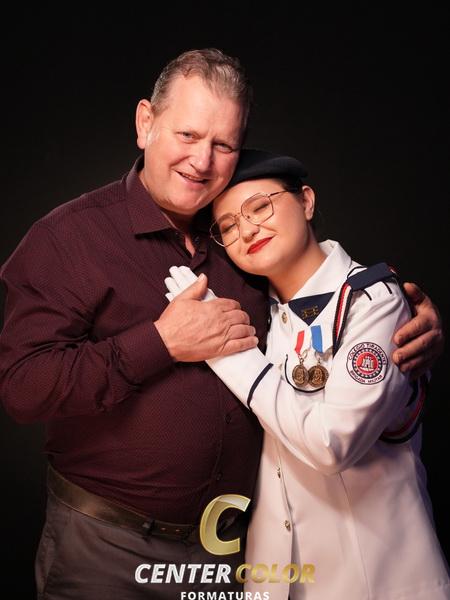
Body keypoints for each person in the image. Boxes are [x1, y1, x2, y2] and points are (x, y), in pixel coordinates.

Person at [0, 49, 443, 599]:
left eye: (223, 145)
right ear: (145, 123)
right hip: (108, 545)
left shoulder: (241, 247)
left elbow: (325, 310)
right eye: (187, 134)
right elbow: (23, 387)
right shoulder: (69, 238)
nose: (201, 160)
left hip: (233, 547)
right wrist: (160, 341)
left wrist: (406, 318)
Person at [164, 148, 450, 600]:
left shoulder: (372, 300)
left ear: (307, 201)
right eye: (229, 226)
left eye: (260, 206)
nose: (247, 229)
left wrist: (224, 349)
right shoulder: (255, 311)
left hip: (376, 580)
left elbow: (331, 444)